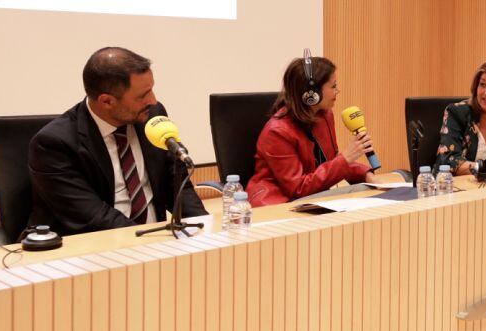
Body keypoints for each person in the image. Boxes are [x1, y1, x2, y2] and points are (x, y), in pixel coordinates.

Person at [27, 47, 207, 236]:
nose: (153, 100)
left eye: (151, 90)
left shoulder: (151, 117)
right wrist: (148, 240)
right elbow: (91, 217)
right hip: (92, 249)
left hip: (156, 239)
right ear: (106, 101)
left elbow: (176, 183)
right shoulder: (53, 144)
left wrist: (205, 227)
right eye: (142, 96)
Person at [246, 51, 374, 207]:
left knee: (368, 192)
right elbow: (297, 188)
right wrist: (345, 159)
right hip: (278, 203)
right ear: (311, 94)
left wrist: (366, 175)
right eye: (333, 86)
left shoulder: (324, 116)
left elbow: (332, 160)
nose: (337, 92)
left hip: (312, 196)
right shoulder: (276, 132)